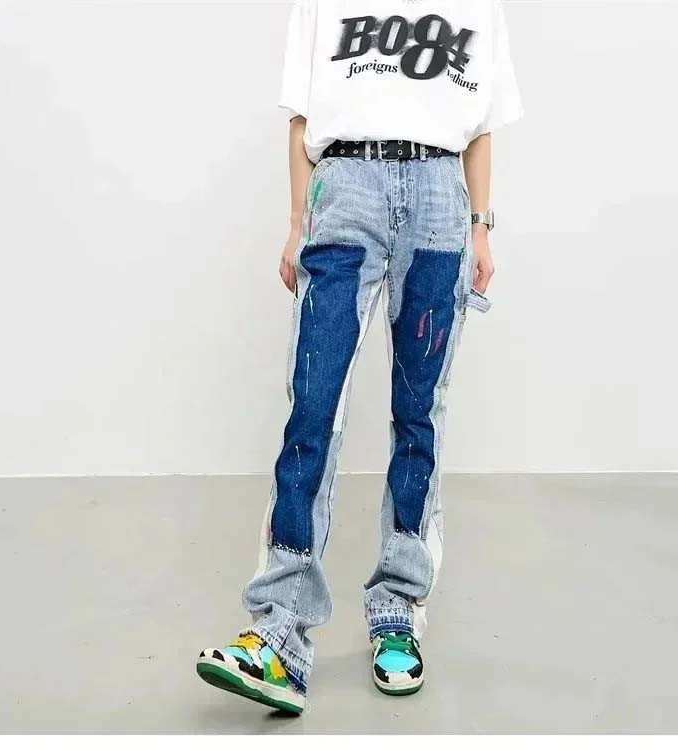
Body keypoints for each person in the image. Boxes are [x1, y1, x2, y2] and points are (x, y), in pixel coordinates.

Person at [196, 0, 523, 715]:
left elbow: (481, 125)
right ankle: (279, 633)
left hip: (439, 197)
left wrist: (481, 228)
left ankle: (398, 608)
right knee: (313, 408)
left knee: (419, 415)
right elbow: (301, 118)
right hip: (344, 188)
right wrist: (296, 222)